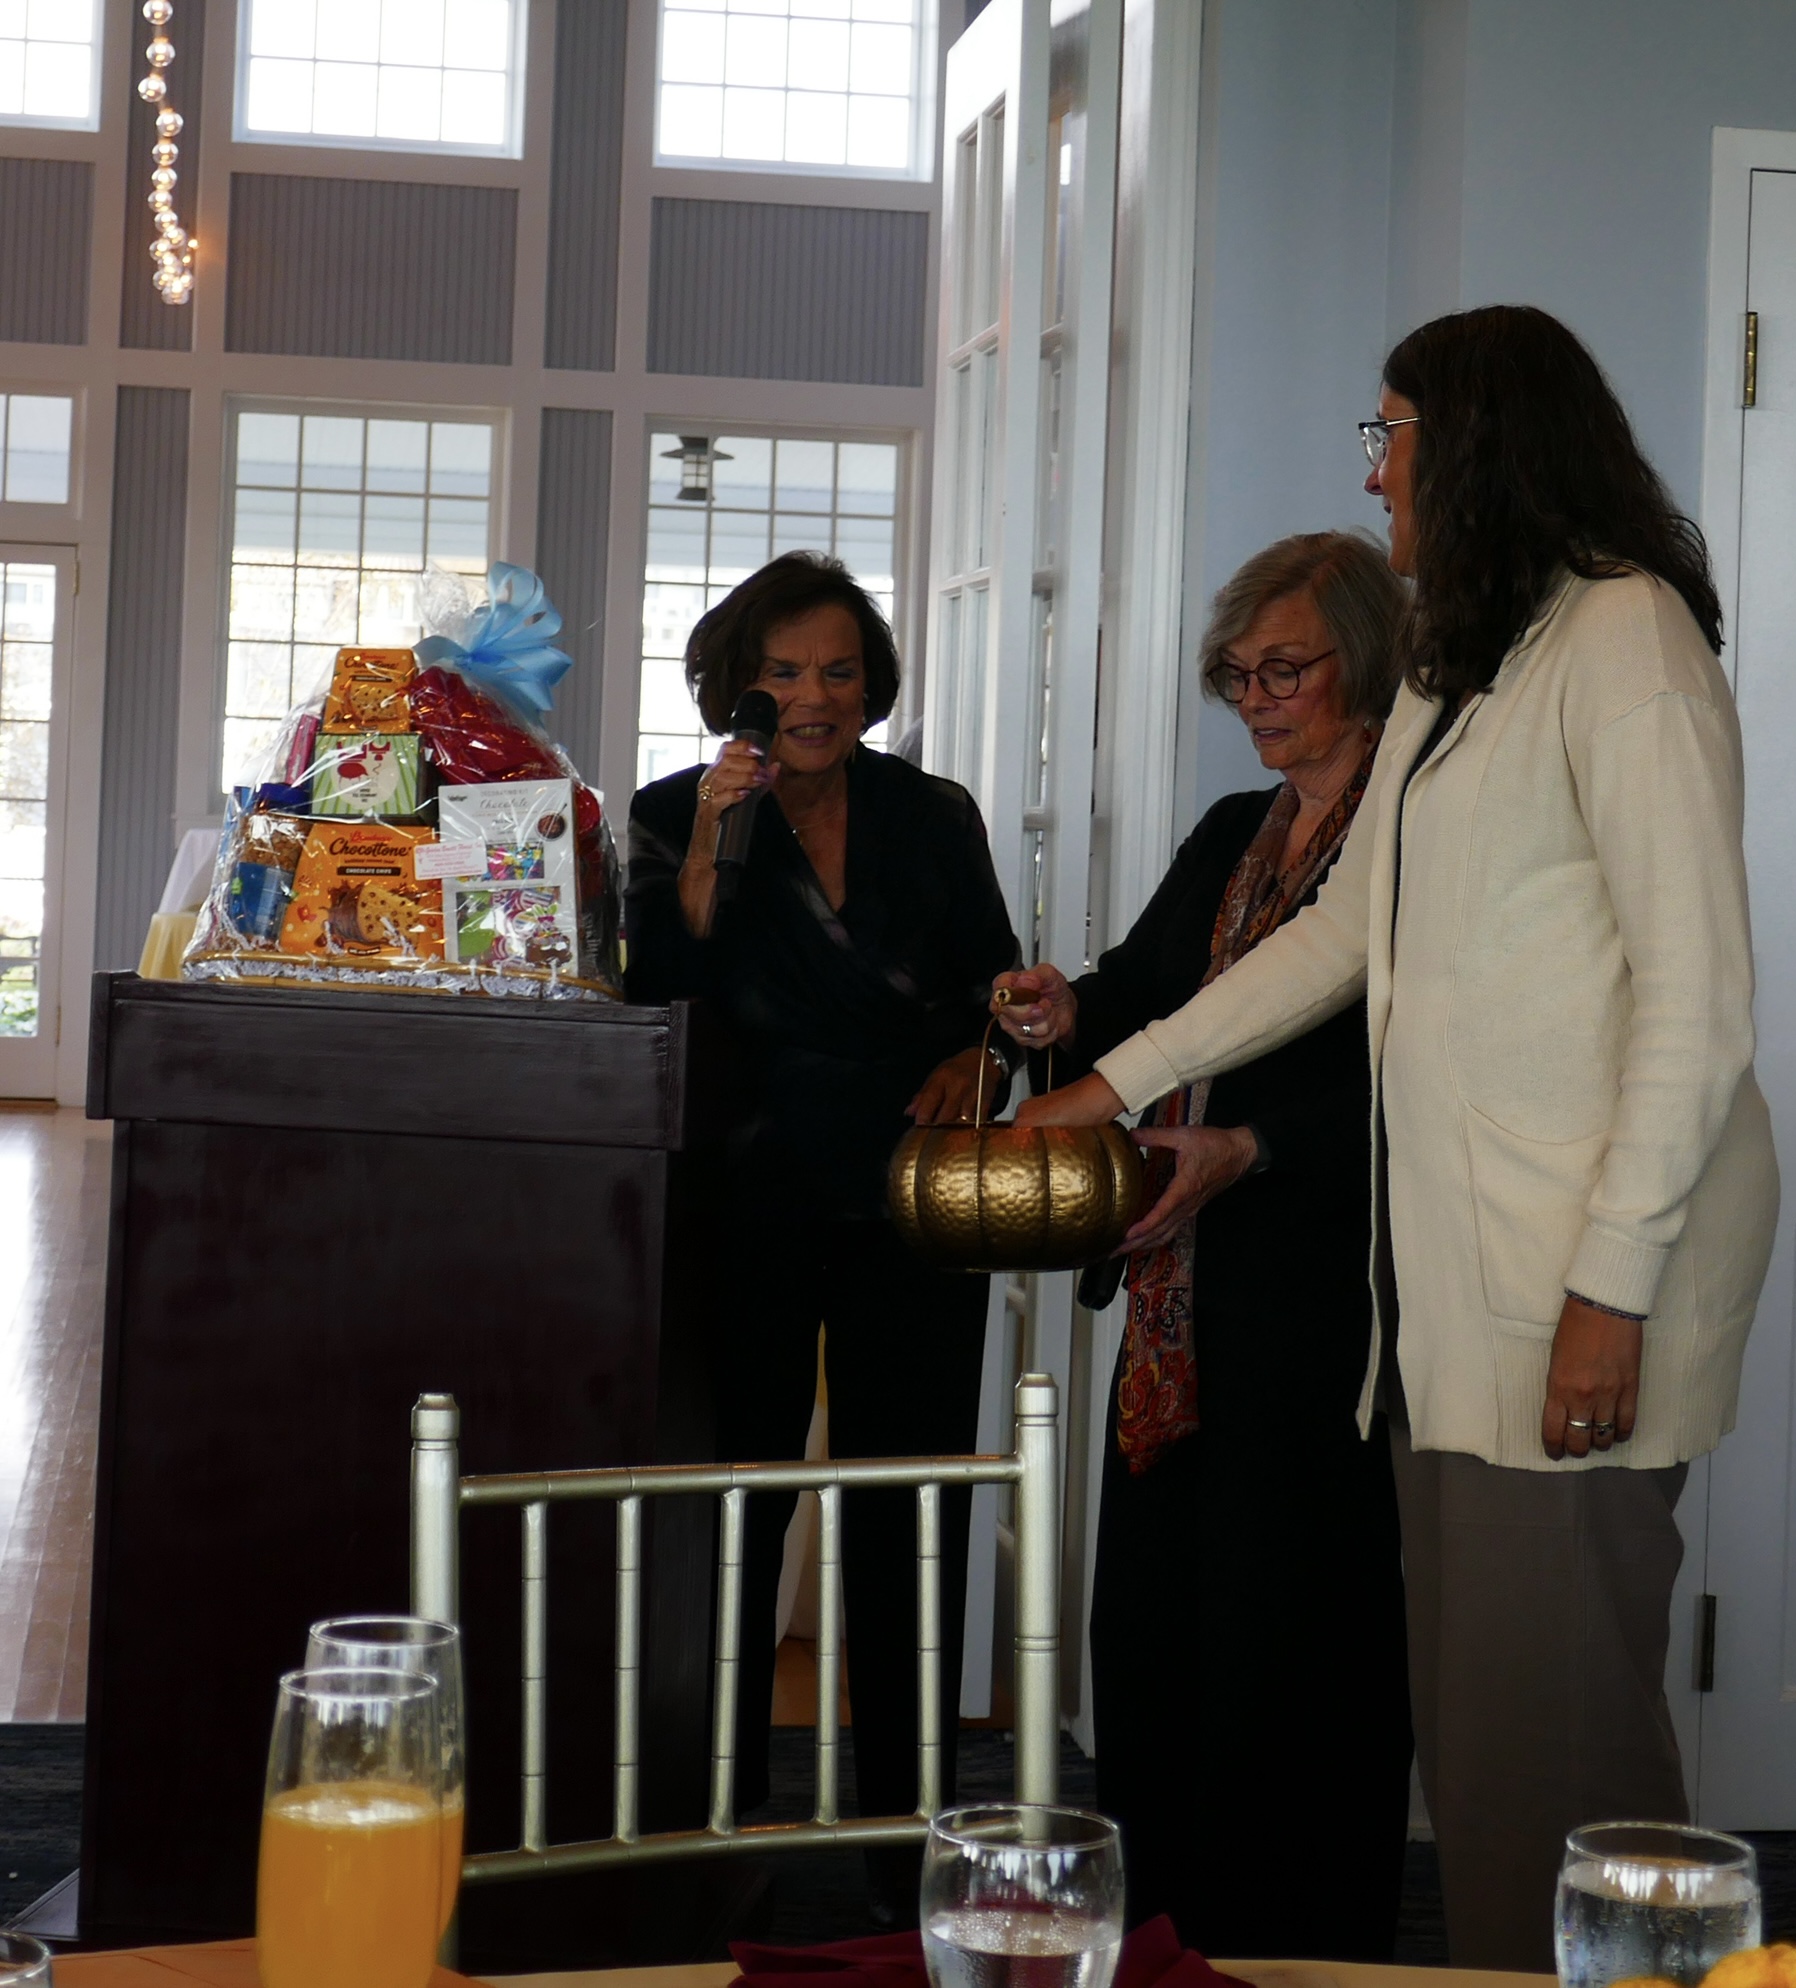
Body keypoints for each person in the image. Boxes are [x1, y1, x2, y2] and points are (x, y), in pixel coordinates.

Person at [1019, 305, 1779, 1969]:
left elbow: (1700, 1006)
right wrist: (1111, 1081)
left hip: (1574, 1282)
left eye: (1393, 436)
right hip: (1449, 1298)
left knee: (1563, 1758)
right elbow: (1340, 932)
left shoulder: (1630, 642)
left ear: (1480, 438)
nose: (1374, 475)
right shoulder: (1459, 656)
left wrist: (1612, 1290)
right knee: (1489, 1759)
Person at [992, 531, 1411, 1960]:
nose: (1256, 700)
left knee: (1294, 1659)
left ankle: (1298, 1953)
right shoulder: (1237, 825)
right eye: (1237, 675)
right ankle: (1166, 1947)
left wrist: (1257, 1145)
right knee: (1160, 1644)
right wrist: (1062, 1010)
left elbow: (1424, 1074)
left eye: (1285, 669)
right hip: (1178, 1304)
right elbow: (1144, 995)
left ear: (1367, 660)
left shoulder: (1413, 833)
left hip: (1324, 1307)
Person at [625, 551, 1020, 1925]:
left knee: (912, 1513)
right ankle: (720, 1833)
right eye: (785, 672)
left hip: (914, 1195)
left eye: (840, 671)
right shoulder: (673, 811)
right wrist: (713, 841)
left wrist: (982, 1059)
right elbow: (657, 985)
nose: (814, 697)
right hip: (744, 1200)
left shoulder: (934, 812)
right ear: (736, 686)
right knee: (738, 1512)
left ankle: (913, 1845)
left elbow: (993, 986)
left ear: (872, 686)